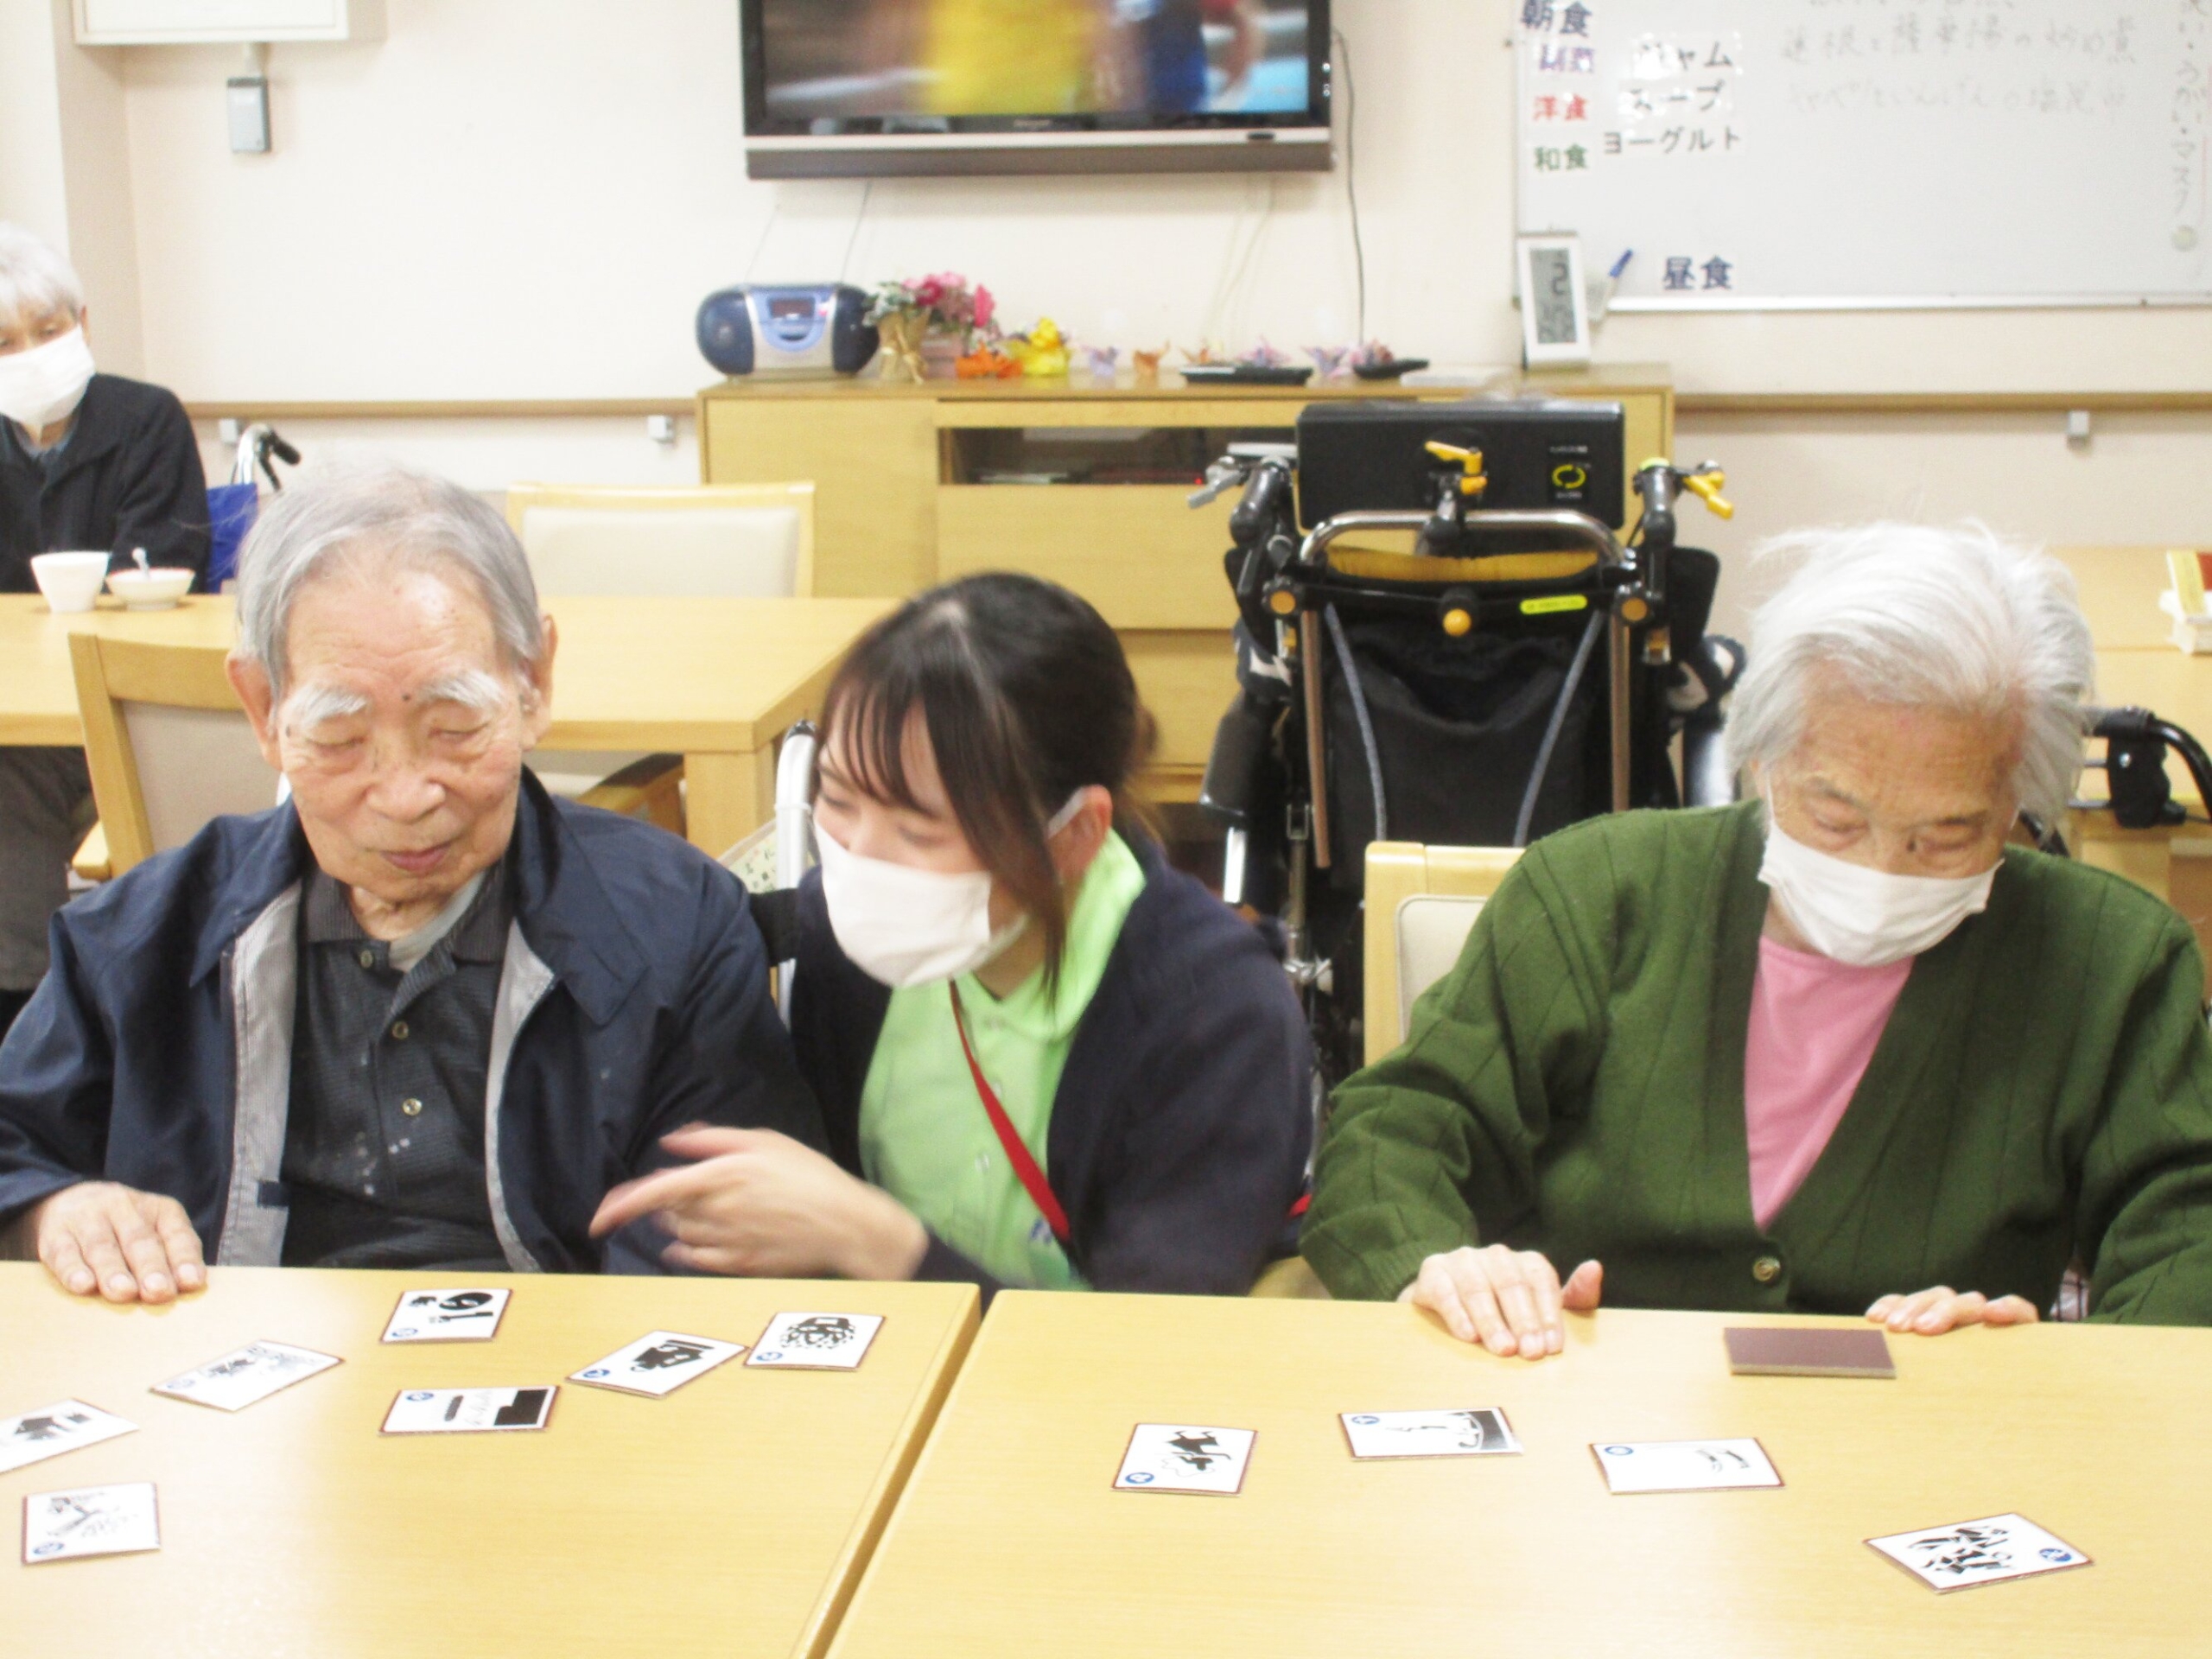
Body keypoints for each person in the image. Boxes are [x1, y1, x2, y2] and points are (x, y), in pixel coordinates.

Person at [1300, 523, 2212, 1354]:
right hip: (1583, 1418)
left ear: (2023, 811)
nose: (1884, 871)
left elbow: (2189, 1228)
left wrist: (2072, 1365)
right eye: (1834, 815)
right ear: (1759, 759)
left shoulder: (2113, 960)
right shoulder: (1595, 891)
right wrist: (1444, 1268)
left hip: (1928, 1443)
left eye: (1946, 836)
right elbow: (1398, 1129)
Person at [0, 462, 822, 1301]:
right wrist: (55, 1207)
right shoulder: (143, 937)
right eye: (341, 736)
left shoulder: (675, 928)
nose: (404, 795)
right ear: (262, 711)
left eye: (454, 727)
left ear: (532, 684)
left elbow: (725, 1241)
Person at [591, 572, 1312, 1294]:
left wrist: (880, 1244)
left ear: (1073, 836)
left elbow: (1143, 1357)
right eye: (838, 799)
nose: (859, 858)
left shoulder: (1214, 1015)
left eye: (917, 830)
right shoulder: (838, 945)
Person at [0, 224, 209, 1038]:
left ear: (81, 325)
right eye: (6, 342)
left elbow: (172, 552)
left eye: (47, 333)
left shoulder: (145, 417)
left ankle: (147, 1013)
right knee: (11, 781)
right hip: (28, 719)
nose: (30, 354)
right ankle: (26, 1021)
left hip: (129, 697)